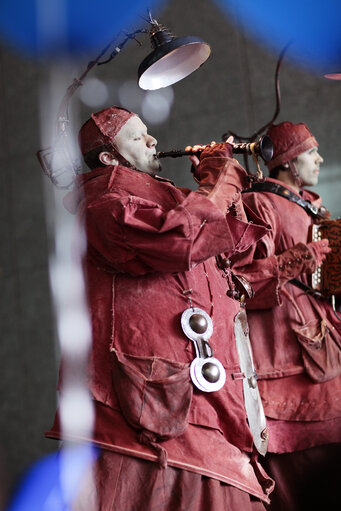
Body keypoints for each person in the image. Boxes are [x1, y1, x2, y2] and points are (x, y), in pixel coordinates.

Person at [46, 106, 274, 510]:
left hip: (204, 408)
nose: (153, 141)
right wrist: (218, 179)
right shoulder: (104, 205)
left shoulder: (167, 201)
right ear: (108, 158)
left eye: (149, 133)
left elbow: (241, 254)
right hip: (152, 415)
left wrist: (218, 188)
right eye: (137, 137)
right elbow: (181, 240)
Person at [232, 121, 341, 510]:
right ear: (290, 163)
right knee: (296, 466)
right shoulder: (260, 204)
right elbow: (239, 282)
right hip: (283, 349)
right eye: (312, 153)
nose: (320, 159)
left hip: (322, 340)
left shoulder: (310, 205)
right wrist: (297, 259)